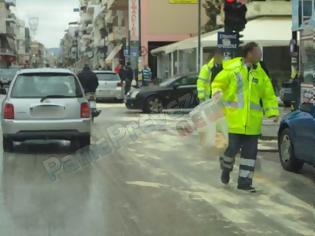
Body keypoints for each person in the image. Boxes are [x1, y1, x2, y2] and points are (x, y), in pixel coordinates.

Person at [211, 42, 279, 193]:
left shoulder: (261, 74)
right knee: (231, 149)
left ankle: (244, 182)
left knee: (249, 156)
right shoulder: (233, 69)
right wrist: (217, 93)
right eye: (257, 52)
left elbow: (268, 95)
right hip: (233, 121)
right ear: (249, 53)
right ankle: (226, 169)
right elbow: (218, 83)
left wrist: (272, 112)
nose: (260, 55)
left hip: (253, 124)